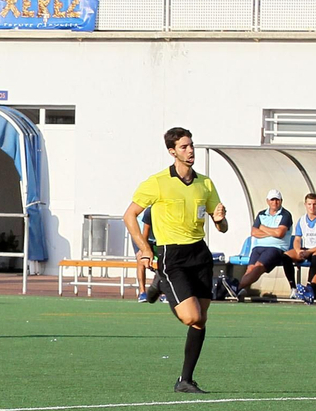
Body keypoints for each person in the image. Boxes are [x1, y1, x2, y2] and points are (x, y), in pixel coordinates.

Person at [124, 127, 229, 394]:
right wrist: (145, 248)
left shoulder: (205, 183)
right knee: (190, 315)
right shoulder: (157, 182)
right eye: (184, 147)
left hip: (200, 254)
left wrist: (220, 220)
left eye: (191, 145)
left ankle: (185, 380)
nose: (190, 150)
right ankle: (161, 283)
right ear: (172, 152)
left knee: (200, 320)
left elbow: (222, 226)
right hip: (173, 256)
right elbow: (129, 215)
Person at [236, 190, 296, 297]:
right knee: (250, 268)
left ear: (281, 201)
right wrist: (272, 231)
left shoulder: (285, 215)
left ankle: (237, 287)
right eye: (272, 200)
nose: (275, 202)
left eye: (277, 200)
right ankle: (241, 290)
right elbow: (254, 232)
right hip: (258, 247)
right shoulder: (261, 214)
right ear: (268, 201)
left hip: (275, 248)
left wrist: (263, 228)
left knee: (258, 267)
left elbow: (280, 233)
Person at [287, 193, 316, 303]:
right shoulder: (301, 220)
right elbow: (297, 239)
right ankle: (293, 288)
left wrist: (309, 252)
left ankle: (309, 288)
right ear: (305, 205)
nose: (312, 207)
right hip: (305, 248)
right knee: (286, 257)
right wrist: (298, 250)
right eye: (309, 204)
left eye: (314, 204)